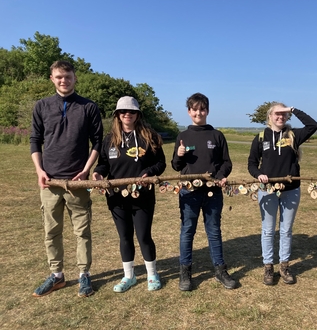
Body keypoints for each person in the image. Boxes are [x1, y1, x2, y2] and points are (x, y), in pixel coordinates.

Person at [30, 60, 103, 297]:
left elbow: (97, 143)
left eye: (68, 76)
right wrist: (40, 171)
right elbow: (35, 141)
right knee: (51, 232)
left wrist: (86, 169)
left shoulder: (88, 107)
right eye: (59, 76)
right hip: (49, 183)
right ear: (52, 78)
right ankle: (57, 276)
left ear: (75, 78)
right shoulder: (41, 106)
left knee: (82, 232)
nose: (64, 80)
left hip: (78, 182)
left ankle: (84, 275)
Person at [92, 96, 166, 292]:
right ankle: (129, 276)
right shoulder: (109, 139)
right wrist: (98, 172)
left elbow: (161, 163)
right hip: (116, 196)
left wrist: (149, 172)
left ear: (137, 114)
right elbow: (104, 163)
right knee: (124, 237)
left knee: (143, 236)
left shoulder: (149, 136)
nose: (127, 114)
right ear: (117, 114)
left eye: (131, 111)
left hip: (143, 195)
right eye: (123, 111)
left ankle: (152, 274)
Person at [171, 92, 236, 291]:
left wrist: (220, 176)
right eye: (194, 109)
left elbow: (227, 162)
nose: (198, 112)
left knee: (214, 231)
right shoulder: (183, 136)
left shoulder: (217, 135)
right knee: (187, 231)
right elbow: (175, 166)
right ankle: (185, 271)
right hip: (189, 192)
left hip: (212, 192)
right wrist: (180, 155)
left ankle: (220, 270)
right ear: (189, 112)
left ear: (207, 111)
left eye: (202, 109)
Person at [248, 103, 317, 285]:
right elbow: (251, 163)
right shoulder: (261, 137)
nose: (280, 117)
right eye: (277, 114)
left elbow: (313, 126)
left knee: (286, 230)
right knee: (268, 231)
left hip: (291, 190)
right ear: (270, 116)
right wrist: (258, 174)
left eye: (284, 114)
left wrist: (293, 110)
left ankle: (284, 266)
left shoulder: (293, 135)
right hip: (268, 190)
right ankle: (268, 267)